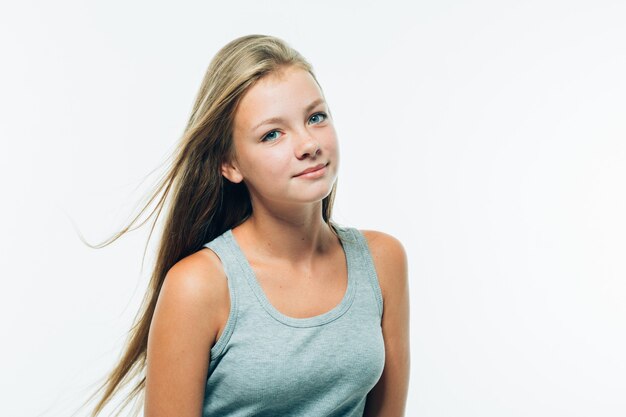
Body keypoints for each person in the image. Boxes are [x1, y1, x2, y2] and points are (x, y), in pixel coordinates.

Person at [80, 34, 410, 417]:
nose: (307, 144)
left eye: (315, 117)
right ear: (230, 164)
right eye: (272, 133)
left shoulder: (382, 261)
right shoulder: (199, 286)